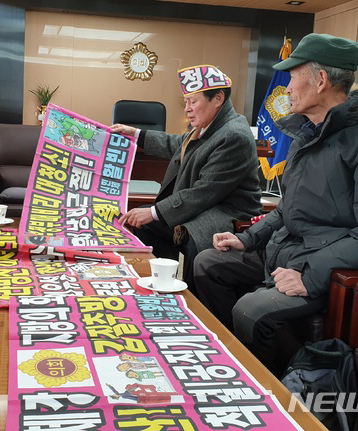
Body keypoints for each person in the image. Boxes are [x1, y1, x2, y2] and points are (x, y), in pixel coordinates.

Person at [193, 34, 358, 375]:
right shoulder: (309, 133)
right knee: (208, 262)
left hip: (334, 269)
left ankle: (267, 387)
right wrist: (249, 239)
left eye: (293, 77)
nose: (287, 88)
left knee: (251, 310)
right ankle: (231, 357)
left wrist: (310, 275)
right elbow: (288, 208)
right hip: (292, 252)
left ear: (321, 80)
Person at [112, 65, 262, 288]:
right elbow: (178, 144)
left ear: (218, 98)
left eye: (193, 102)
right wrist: (137, 134)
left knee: (192, 236)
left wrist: (153, 212)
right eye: (186, 103)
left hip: (226, 210)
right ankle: (163, 283)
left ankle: (193, 300)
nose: (187, 110)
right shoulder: (210, 125)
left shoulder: (234, 135)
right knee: (148, 226)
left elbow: (204, 192)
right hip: (207, 204)